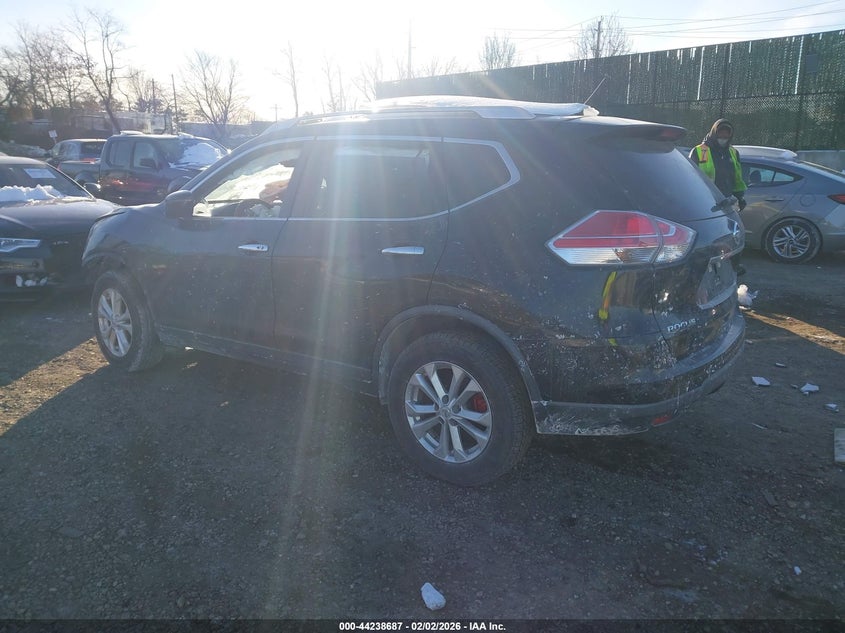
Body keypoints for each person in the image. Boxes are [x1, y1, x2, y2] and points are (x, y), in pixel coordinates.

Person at [690, 118, 748, 275]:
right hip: (706, 201)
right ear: (714, 132)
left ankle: (733, 266)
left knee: (734, 234)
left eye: (727, 134)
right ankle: (705, 268)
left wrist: (740, 197)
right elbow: (690, 177)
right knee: (709, 236)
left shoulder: (733, 152)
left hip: (727, 200)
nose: (723, 136)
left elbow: (736, 176)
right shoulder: (700, 150)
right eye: (721, 133)